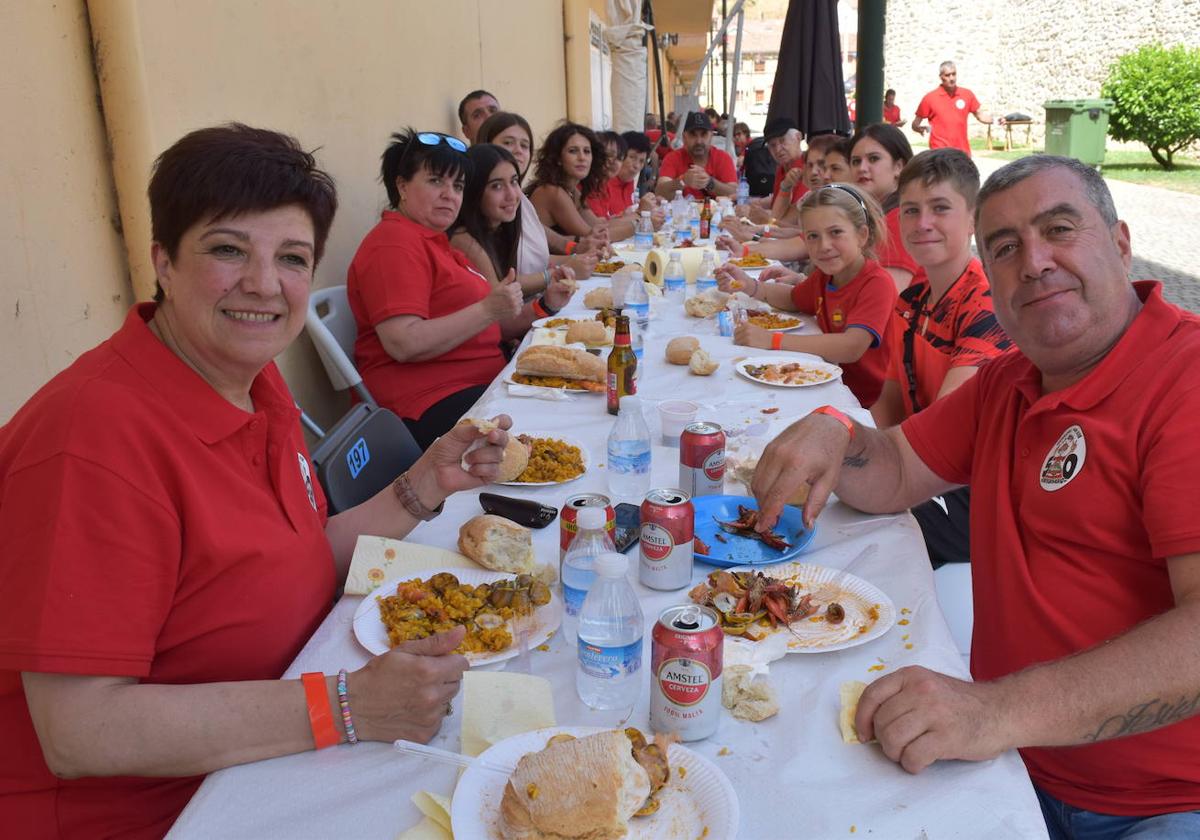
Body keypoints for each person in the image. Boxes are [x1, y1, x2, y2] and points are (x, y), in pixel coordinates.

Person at [0, 124, 517, 839]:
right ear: (164, 263)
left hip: (272, 750)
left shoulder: (251, 382)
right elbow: (80, 730)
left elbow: (298, 560)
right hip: (169, 813)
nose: (264, 284)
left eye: (292, 258)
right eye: (226, 250)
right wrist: (346, 705)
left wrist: (426, 482)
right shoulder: (91, 440)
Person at [751, 155, 1200, 837]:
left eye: (1059, 229)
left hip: (1156, 802)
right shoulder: (1011, 381)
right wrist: (836, 431)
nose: (1036, 261)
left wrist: (994, 712)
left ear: (1121, 242)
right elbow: (896, 469)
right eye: (1006, 247)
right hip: (1004, 762)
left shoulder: (1184, 380)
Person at [347, 129, 549, 450]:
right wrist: (487, 309)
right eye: (435, 181)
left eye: (457, 186)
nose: (449, 194)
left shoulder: (436, 242)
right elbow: (404, 342)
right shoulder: (394, 243)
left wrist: (545, 306)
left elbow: (490, 327)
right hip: (428, 400)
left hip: (479, 383)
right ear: (401, 186)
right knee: (558, 427)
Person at [871, 149, 1012, 567]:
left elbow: (947, 422)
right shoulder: (911, 302)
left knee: (861, 535)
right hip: (925, 467)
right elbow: (889, 403)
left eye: (940, 208)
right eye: (911, 210)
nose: (923, 223)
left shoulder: (988, 305)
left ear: (974, 219)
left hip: (978, 495)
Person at [715, 184, 896, 407]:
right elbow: (792, 299)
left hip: (866, 401)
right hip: (823, 383)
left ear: (862, 235)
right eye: (813, 236)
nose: (824, 246)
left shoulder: (877, 283)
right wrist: (750, 285)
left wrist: (773, 340)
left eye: (836, 232)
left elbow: (851, 346)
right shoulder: (825, 276)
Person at [448, 144, 577, 308]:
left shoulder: (502, 225)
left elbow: (506, 278)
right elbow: (500, 300)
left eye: (514, 181)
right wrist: (548, 283)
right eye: (497, 186)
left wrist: (555, 273)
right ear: (474, 192)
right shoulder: (464, 238)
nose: (512, 195)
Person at [475, 112, 600, 280]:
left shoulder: (520, 198)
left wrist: (576, 254)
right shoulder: (548, 191)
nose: (518, 151)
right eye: (508, 143)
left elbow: (539, 257)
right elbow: (502, 282)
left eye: (524, 145)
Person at [851, 124, 921, 291]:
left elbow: (886, 295)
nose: (862, 168)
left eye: (873, 159)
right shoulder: (873, 214)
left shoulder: (899, 218)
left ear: (899, 167)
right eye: (856, 161)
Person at [526, 122, 611, 245]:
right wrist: (639, 220)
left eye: (587, 151)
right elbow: (592, 236)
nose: (582, 157)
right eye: (573, 151)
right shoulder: (552, 192)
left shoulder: (572, 191)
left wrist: (638, 217)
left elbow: (599, 225)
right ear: (558, 159)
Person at [911, 62, 999, 157]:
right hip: (939, 153)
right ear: (941, 77)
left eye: (954, 74)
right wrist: (919, 129)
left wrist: (997, 120)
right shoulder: (929, 98)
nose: (952, 78)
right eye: (947, 75)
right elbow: (915, 124)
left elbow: (981, 116)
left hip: (962, 153)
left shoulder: (967, 94)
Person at [655, 111, 737, 200]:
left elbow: (734, 192)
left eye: (704, 134)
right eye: (693, 135)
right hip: (680, 213)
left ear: (711, 136)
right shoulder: (672, 158)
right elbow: (660, 192)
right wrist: (682, 181)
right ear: (684, 137)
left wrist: (710, 183)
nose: (699, 141)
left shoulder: (723, 158)